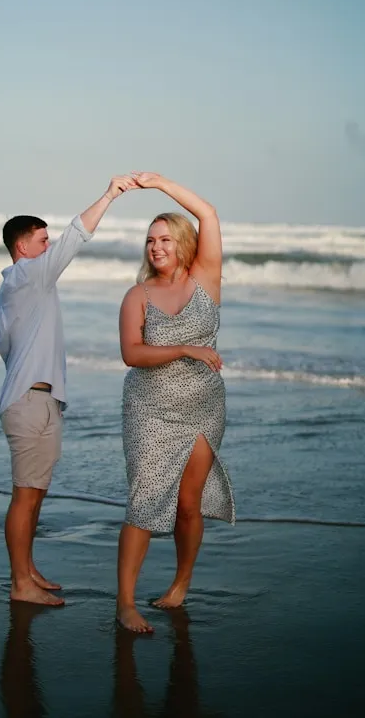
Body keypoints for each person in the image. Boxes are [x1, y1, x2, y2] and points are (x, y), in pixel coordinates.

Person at [0, 175, 138, 606]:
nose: (48, 246)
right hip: (29, 401)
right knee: (25, 496)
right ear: (23, 247)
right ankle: (20, 584)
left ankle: (27, 570)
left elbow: (6, 347)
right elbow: (76, 236)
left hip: (37, 399)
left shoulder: (20, 287)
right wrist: (110, 194)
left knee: (34, 494)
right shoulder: (28, 275)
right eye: (42, 240)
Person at [116, 172, 235, 632]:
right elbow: (132, 354)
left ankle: (181, 583)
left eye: (165, 239)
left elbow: (208, 212)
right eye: (150, 240)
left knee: (189, 503)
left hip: (203, 406)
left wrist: (160, 183)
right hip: (149, 409)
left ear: (184, 243)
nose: (156, 247)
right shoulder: (138, 295)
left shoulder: (206, 279)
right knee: (144, 501)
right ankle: (125, 604)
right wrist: (185, 349)